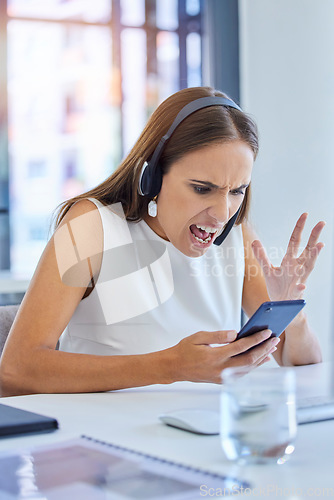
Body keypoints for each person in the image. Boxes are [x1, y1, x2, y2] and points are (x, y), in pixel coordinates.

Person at [0, 87, 325, 396]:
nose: (223, 213)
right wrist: (170, 367)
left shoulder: (236, 238)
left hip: (203, 440)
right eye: (202, 188)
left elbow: (300, 363)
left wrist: (293, 318)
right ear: (152, 175)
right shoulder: (90, 226)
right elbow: (16, 371)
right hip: (102, 443)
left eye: (237, 191)